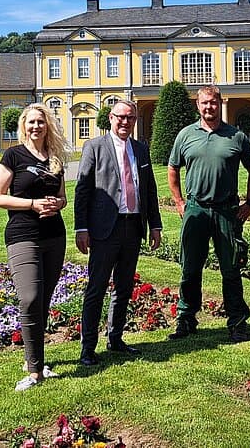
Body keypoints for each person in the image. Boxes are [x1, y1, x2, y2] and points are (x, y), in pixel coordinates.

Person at [167, 85, 250, 343]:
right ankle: (186, 319)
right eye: (205, 103)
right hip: (195, 210)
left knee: (231, 269)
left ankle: (238, 323)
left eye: (214, 103)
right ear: (198, 105)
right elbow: (173, 168)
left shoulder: (236, 137)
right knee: (190, 268)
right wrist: (178, 201)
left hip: (226, 210)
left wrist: (249, 202)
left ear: (220, 103)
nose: (209, 107)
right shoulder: (185, 136)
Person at [74, 99, 163, 366]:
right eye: (121, 117)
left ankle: (115, 338)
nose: (126, 122)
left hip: (133, 226)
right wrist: (81, 227)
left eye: (131, 118)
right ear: (110, 118)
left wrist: (155, 225)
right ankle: (88, 348)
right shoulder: (94, 147)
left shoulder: (140, 149)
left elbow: (149, 190)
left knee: (123, 287)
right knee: (96, 288)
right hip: (104, 229)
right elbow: (82, 189)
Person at [0, 102, 69, 391]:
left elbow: (62, 197)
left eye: (41, 122)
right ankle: (35, 372)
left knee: (43, 302)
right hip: (23, 234)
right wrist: (32, 204)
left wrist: (56, 204)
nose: (36, 127)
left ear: (48, 126)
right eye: (31, 122)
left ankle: (34, 359)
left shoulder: (55, 158)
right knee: (30, 298)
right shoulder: (14, 155)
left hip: (54, 235)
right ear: (24, 126)